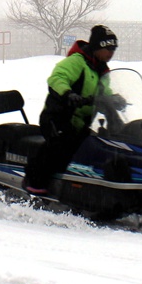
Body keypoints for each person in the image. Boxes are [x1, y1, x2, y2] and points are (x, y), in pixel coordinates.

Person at [23, 24, 119, 195]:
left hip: (82, 122)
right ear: (97, 46)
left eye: (114, 49)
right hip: (58, 117)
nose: (111, 53)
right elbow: (57, 78)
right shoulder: (77, 61)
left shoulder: (102, 70)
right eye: (108, 48)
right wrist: (68, 94)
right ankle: (35, 183)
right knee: (62, 145)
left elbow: (105, 93)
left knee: (103, 145)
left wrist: (115, 100)